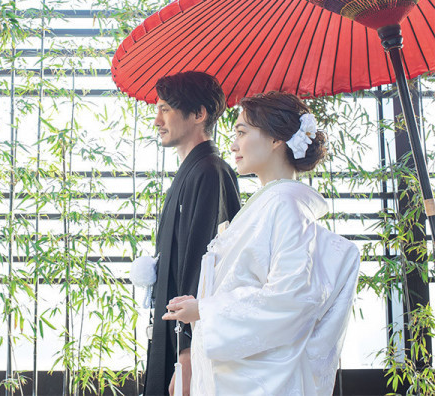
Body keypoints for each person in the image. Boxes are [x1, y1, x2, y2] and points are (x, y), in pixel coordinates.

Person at [162, 92, 360, 395]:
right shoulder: (270, 203)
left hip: (260, 378)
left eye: (242, 132)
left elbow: (292, 298)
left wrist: (205, 309)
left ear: (275, 140)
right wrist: (202, 302)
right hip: (242, 372)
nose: (233, 144)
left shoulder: (285, 206)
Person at [143, 71, 241, 396]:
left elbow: (207, 263)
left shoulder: (211, 172)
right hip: (174, 331)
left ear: (198, 114)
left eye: (166, 109)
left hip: (190, 340)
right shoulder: (192, 171)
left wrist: (187, 353)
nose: (157, 119)